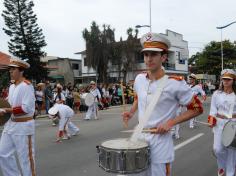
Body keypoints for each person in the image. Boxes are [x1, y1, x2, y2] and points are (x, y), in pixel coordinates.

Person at [122, 32, 203, 176]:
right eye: (146, 55)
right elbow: (138, 98)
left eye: (154, 54)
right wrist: (131, 112)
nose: (149, 59)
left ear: (164, 57)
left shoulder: (175, 83)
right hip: (140, 137)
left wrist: (171, 122)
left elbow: (197, 108)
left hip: (160, 141)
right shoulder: (139, 79)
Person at [0, 57, 36, 176]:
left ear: (21, 71)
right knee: (2, 153)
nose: (10, 71)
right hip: (10, 125)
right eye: (10, 69)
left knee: (26, 159)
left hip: (23, 126)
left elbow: (26, 108)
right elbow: (9, 102)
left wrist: (7, 110)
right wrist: (3, 107)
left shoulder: (27, 86)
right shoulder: (12, 86)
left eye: (13, 69)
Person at [208, 69, 236, 176]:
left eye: (228, 79)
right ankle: (221, 166)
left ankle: (230, 172)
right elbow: (213, 109)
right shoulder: (216, 94)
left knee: (232, 150)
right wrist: (211, 119)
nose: (226, 81)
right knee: (217, 149)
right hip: (219, 124)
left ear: (233, 80)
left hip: (233, 124)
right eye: (224, 79)